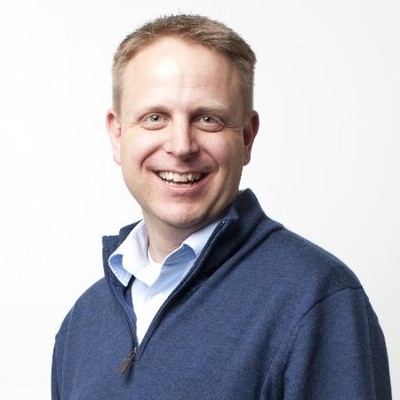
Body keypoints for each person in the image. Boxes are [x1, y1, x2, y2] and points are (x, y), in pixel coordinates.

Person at [51, 14, 392, 399]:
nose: (181, 146)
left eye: (208, 119)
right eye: (155, 118)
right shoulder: (81, 324)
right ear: (117, 134)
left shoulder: (316, 298)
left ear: (246, 137)